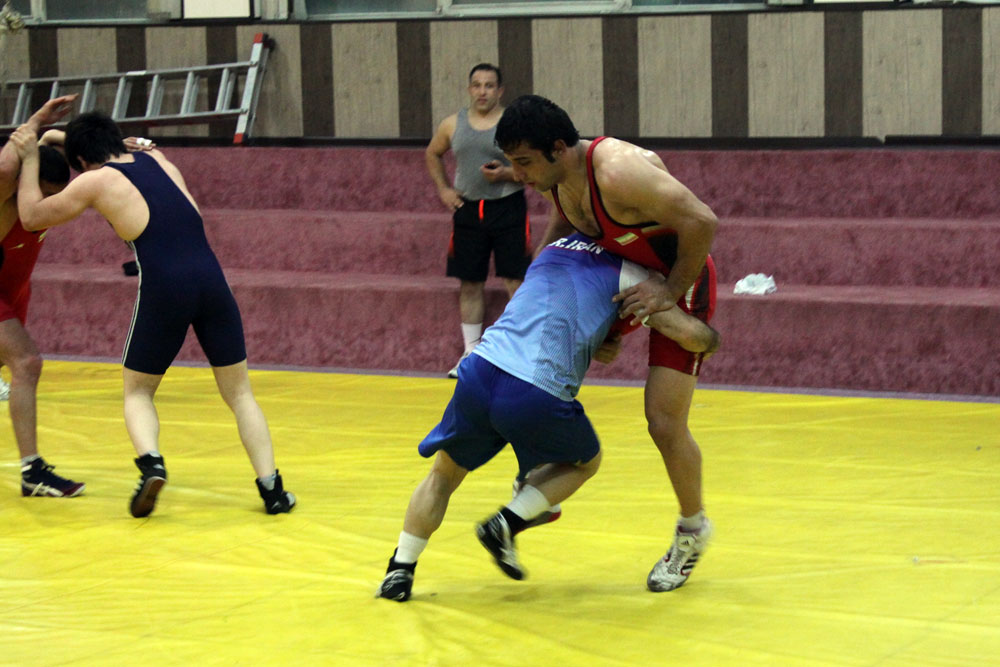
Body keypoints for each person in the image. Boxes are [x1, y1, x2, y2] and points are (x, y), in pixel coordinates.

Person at [375, 233, 719, 602]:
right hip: (534, 389)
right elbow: (689, 335)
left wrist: (603, 332)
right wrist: (711, 339)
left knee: (443, 475)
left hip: (478, 370)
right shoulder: (633, 276)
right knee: (585, 462)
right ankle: (508, 520)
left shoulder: (552, 249)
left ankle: (399, 569)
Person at [9, 111, 296, 517]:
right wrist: (63, 136)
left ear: (82, 161)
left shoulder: (95, 180)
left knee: (138, 391)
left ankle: (152, 464)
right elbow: (99, 143)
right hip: (213, 282)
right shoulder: (158, 159)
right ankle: (273, 489)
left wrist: (30, 157)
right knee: (240, 393)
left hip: (166, 286)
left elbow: (31, 216)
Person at [494, 95, 719, 593]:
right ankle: (540, 483)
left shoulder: (618, 171)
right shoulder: (557, 176)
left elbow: (702, 222)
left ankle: (693, 530)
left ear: (559, 149)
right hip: (619, 275)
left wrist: (669, 292)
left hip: (674, 279)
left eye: (524, 163)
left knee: (664, 423)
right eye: (513, 163)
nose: (518, 175)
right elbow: (566, 220)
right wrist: (537, 280)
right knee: (536, 359)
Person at [0, 95, 85, 497]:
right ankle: (32, 471)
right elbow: (7, 165)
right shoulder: (5, 194)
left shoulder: (39, 175)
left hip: (12, 289)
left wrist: (115, 147)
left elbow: (54, 140)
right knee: (27, 362)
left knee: (18, 365)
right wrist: (34, 120)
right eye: (45, 194)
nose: (50, 206)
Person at [425, 63, 530, 378]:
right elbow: (432, 153)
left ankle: (523, 353)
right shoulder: (452, 124)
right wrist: (444, 189)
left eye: (489, 86)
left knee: (515, 281)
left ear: (500, 91)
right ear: (469, 89)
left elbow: (534, 168)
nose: (482, 91)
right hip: (468, 210)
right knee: (470, 282)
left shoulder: (514, 124)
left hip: (508, 208)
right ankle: (471, 353)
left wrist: (506, 174)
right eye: (477, 85)